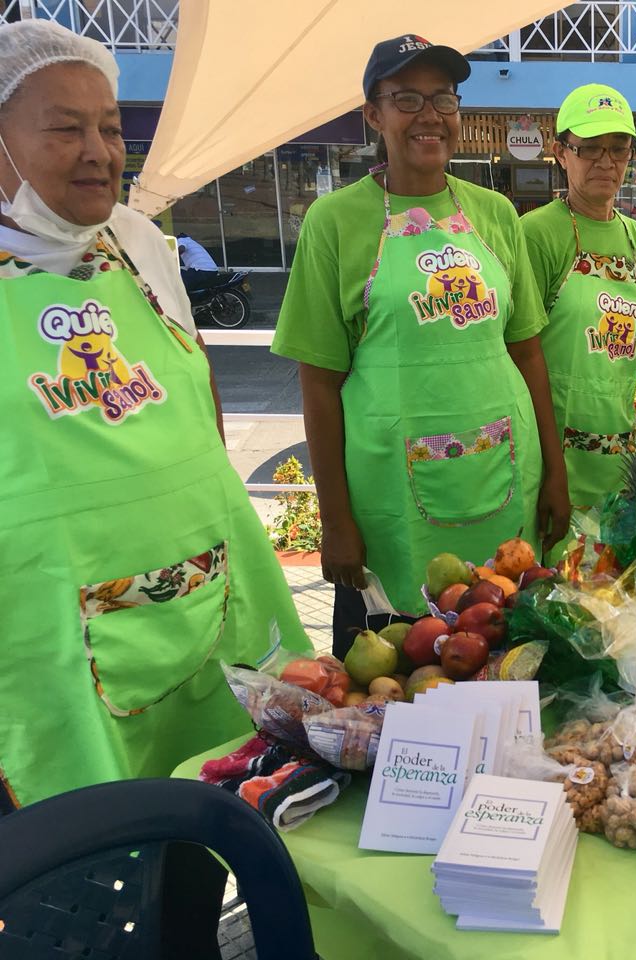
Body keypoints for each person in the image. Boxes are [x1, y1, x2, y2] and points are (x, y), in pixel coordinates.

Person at [0, 20, 309, 809]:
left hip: (209, 589)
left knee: (222, 811)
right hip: (51, 636)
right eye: (66, 129)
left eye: (110, 128)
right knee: (92, 843)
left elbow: (198, 384)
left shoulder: (139, 242)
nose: (99, 152)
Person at [272, 35, 570, 656]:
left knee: (501, 655)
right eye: (406, 98)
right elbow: (319, 384)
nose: (429, 115)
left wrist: (555, 473)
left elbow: (527, 351)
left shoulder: (496, 213)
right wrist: (336, 521)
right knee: (395, 674)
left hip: (504, 476)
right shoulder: (334, 222)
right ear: (373, 114)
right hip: (388, 498)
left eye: (443, 98)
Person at [521, 84, 636, 520]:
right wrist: (550, 471)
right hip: (551, 461)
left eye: (618, 148)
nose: (606, 162)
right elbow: (517, 352)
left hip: (619, 458)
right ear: (560, 152)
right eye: (590, 148)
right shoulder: (536, 234)